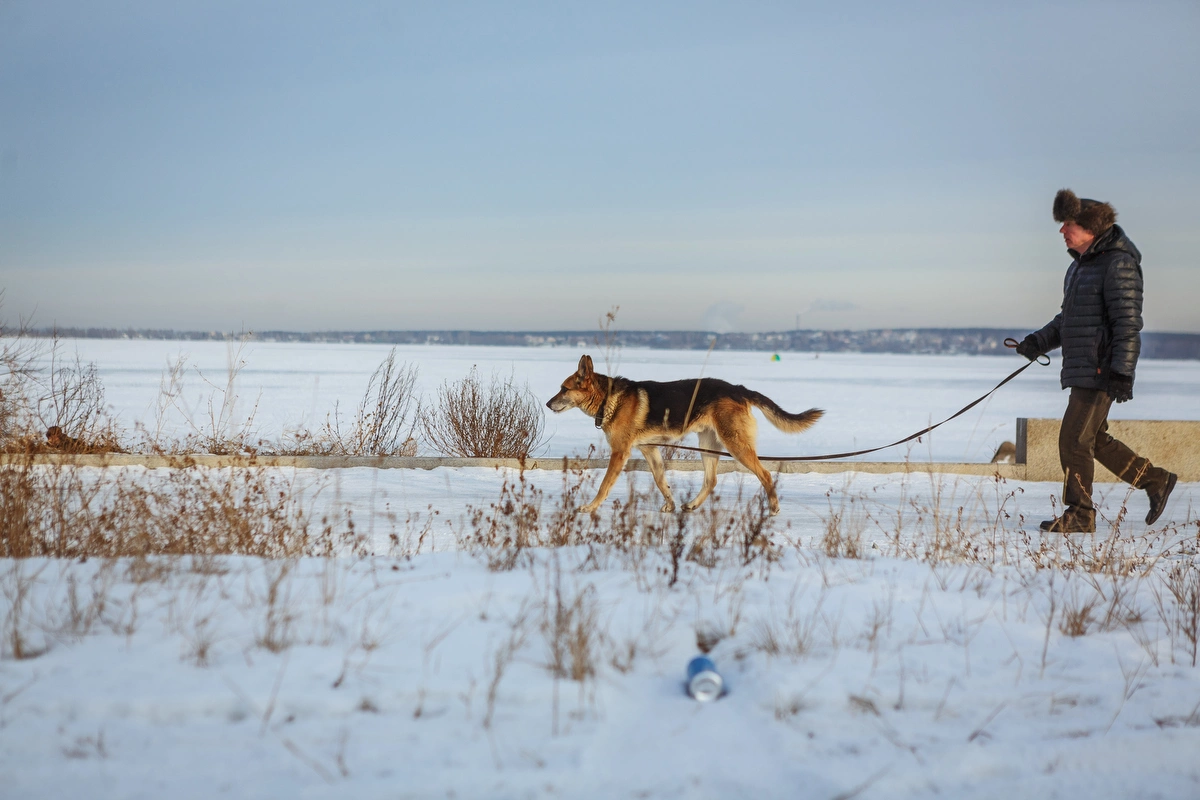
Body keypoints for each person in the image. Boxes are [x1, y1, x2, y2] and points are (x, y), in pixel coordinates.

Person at [1016, 189, 1177, 533]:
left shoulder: (1118, 263)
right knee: (1093, 439)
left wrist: (1122, 372)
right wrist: (1037, 342)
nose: (1062, 231)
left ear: (1090, 228)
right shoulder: (1080, 268)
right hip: (1086, 367)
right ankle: (1155, 480)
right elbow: (1068, 319)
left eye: (1068, 225)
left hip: (1101, 369)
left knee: (1074, 440)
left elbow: (1127, 322)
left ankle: (1080, 514)